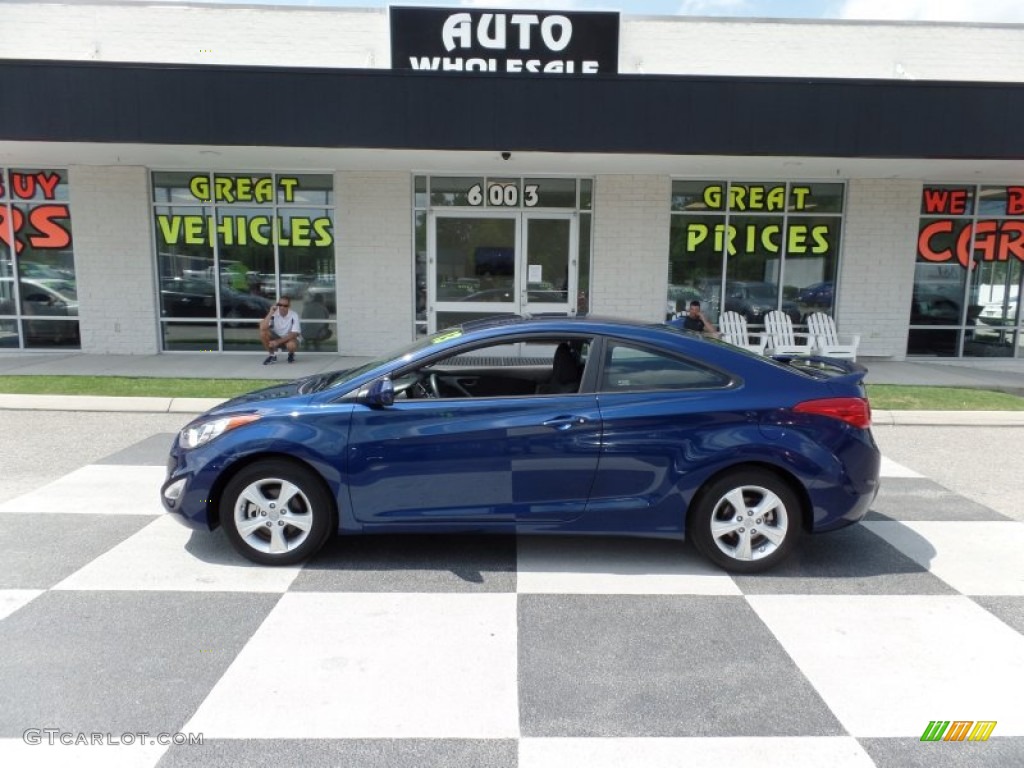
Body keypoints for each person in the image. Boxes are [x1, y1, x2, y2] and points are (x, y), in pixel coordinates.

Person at [260, 295, 302, 364]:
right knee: (263, 333)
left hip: (289, 338)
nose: (282, 307)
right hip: (277, 337)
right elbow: (263, 328)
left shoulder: (294, 315)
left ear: (289, 306)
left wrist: (277, 342)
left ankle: (291, 354)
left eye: (285, 305)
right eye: (280, 305)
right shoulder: (274, 314)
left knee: (291, 345)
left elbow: (295, 334)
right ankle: (272, 356)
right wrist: (270, 312)